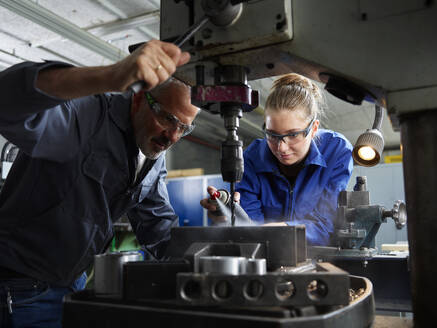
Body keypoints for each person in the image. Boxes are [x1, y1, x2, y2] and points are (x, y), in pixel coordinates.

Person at [0, 40, 199, 327]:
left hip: (73, 286)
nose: (174, 136)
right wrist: (107, 76)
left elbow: (159, 228)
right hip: (22, 292)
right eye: (168, 119)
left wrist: (209, 261)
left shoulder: (153, 151)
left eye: (185, 127)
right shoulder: (87, 116)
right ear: (140, 97)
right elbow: (7, 104)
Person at [201, 73, 353, 246]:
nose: (281, 148)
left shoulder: (336, 150)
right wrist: (228, 215)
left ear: (314, 128)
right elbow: (250, 229)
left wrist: (278, 230)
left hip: (318, 255)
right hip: (266, 255)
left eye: (293, 135)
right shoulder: (252, 158)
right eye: (272, 135)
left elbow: (325, 225)